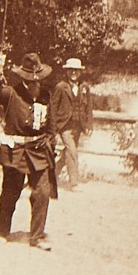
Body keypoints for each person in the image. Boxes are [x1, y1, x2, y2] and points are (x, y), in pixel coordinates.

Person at [0, 54, 61, 250]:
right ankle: (3, 231)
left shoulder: (46, 95)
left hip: (39, 151)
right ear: (23, 79)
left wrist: (51, 143)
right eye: (29, 81)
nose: (33, 84)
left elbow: (52, 125)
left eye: (36, 80)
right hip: (16, 152)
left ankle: (36, 236)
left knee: (42, 192)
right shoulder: (11, 93)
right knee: (10, 193)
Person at [50, 57, 92, 187]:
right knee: (72, 151)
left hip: (78, 125)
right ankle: (74, 183)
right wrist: (53, 128)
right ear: (66, 72)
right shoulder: (61, 87)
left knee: (67, 153)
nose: (74, 73)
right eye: (71, 70)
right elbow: (53, 107)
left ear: (80, 72)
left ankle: (52, 176)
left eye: (76, 71)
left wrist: (89, 125)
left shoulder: (84, 87)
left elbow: (89, 107)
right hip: (64, 125)